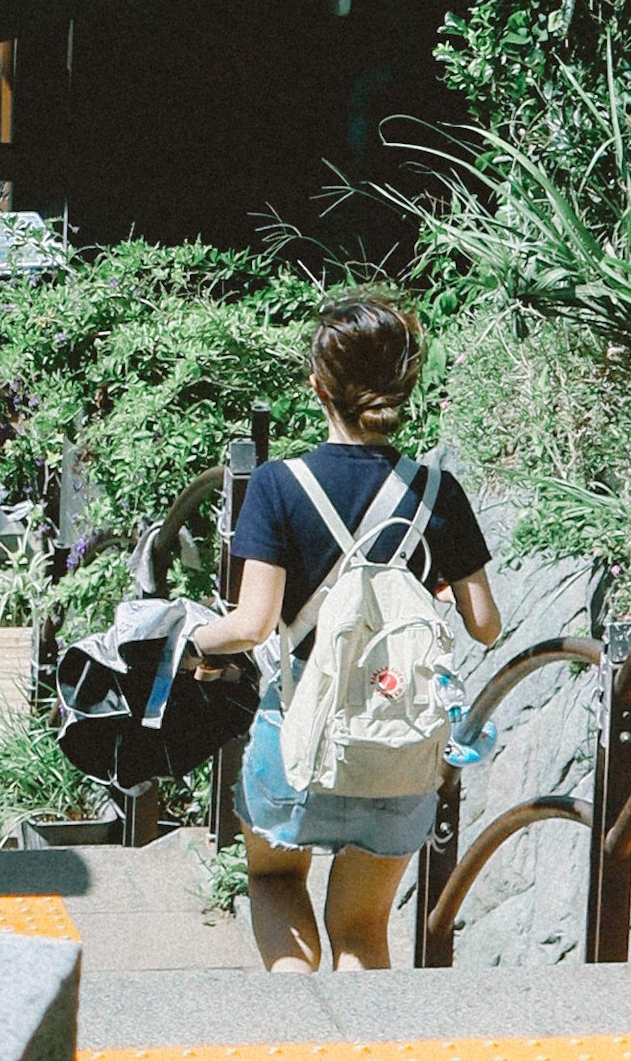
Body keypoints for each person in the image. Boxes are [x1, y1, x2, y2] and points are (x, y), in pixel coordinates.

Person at [179, 290, 501, 979]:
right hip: (398, 743)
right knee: (361, 930)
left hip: (296, 733)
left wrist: (194, 644)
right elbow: (485, 623)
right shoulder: (437, 493)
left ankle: (296, 1028)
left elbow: (252, 624)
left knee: (274, 882)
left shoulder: (277, 485)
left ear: (318, 386)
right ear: (402, 387)